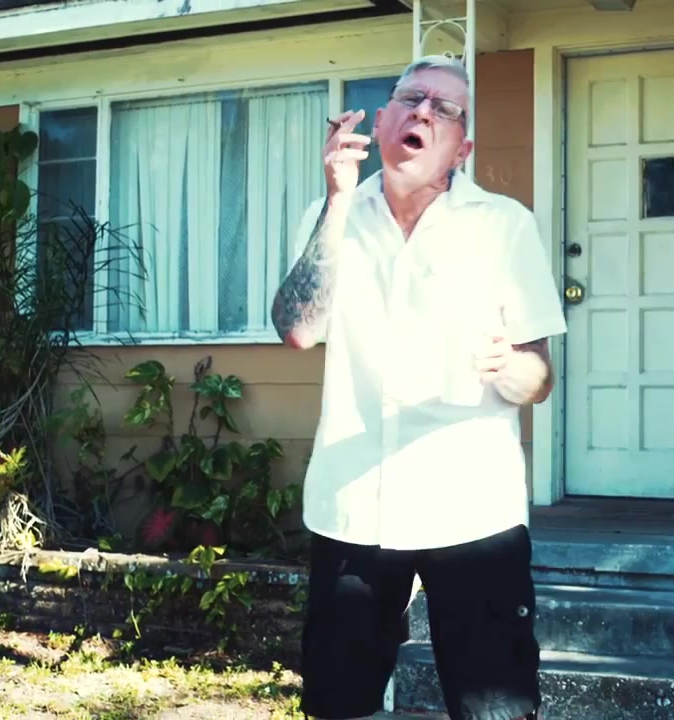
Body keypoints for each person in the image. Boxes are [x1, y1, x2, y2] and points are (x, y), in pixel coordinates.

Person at [271, 54, 566, 720]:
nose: (424, 112)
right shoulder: (330, 214)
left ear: (463, 149)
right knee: (339, 703)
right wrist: (338, 199)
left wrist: (510, 368)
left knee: (494, 707)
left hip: (473, 508)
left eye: (446, 108)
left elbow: (540, 377)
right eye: (411, 99)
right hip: (353, 504)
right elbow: (297, 330)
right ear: (381, 122)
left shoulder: (504, 226)